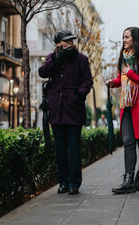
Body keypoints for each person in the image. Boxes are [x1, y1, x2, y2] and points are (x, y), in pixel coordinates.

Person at [38, 30, 93, 195]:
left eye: (71, 40)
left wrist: (79, 94)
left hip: (74, 108)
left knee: (74, 148)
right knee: (60, 148)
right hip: (57, 109)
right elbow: (42, 72)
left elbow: (87, 80)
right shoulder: (51, 58)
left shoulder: (81, 59)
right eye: (66, 41)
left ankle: (74, 183)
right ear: (59, 44)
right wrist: (54, 60)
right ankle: (62, 182)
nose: (70, 43)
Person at [106, 27, 139, 194]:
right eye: (123, 37)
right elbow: (123, 79)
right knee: (128, 141)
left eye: (126, 37)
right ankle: (129, 180)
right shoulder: (124, 57)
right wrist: (113, 82)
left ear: (135, 38)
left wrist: (130, 73)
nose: (123, 40)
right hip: (127, 104)